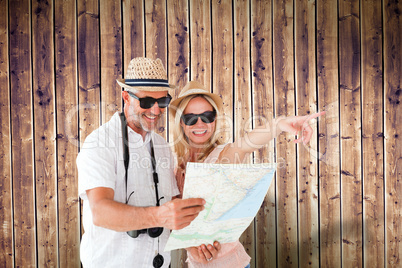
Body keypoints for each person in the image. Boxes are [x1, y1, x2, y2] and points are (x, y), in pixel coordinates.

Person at [169, 81, 325, 268]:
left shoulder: (223, 155)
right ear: (181, 122)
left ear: (215, 120)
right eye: (190, 118)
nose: (200, 123)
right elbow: (174, 218)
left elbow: (245, 144)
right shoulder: (175, 166)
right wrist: (191, 247)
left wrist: (280, 124)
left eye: (207, 116)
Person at [77, 58, 206, 268]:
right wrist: (158, 217)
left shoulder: (163, 147)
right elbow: (100, 212)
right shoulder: (99, 143)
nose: (155, 110)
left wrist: (192, 244)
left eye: (162, 102)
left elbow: (174, 209)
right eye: (146, 102)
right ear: (126, 96)